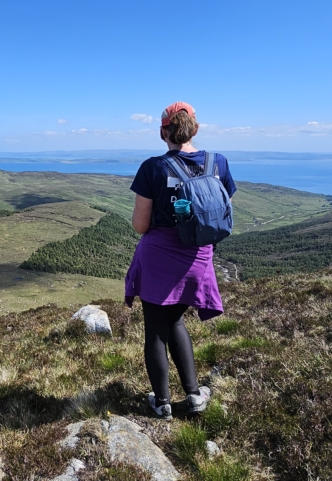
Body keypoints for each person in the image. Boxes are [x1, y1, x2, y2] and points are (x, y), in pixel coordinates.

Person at [124, 101, 236, 419]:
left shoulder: (153, 168)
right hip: (198, 258)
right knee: (176, 320)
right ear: (195, 128)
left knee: (156, 330)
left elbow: (141, 226)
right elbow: (218, 209)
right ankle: (194, 395)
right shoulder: (219, 162)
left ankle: (162, 403)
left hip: (159, 258)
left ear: (163, 132)